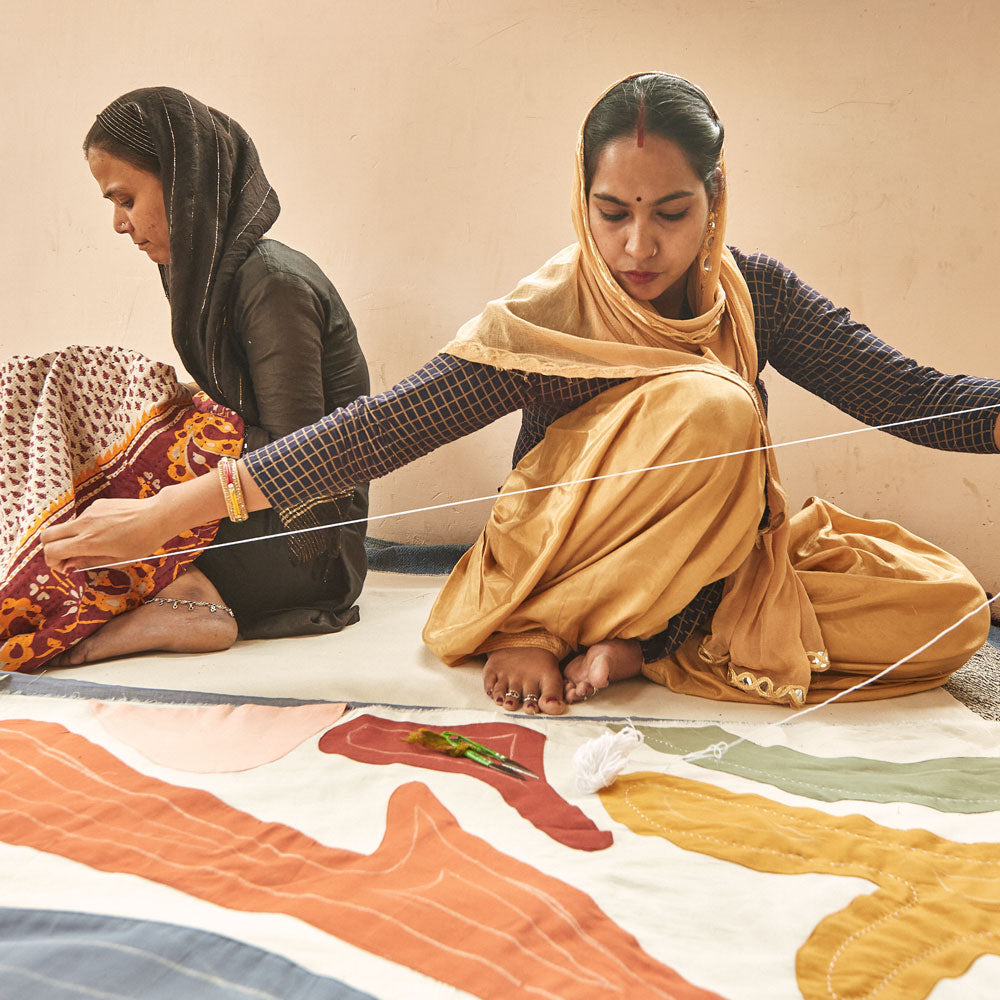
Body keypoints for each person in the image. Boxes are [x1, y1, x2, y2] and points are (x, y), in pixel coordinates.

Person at [42, 73, 999, 711]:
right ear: (579, 199)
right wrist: (168, 513)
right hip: (556, 571)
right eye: (611, 213)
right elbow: (376, 431)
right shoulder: (549, 313)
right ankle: (554, 630)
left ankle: (657, 644)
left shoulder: (761, 294)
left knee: (949, 606)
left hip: (709, 568)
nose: (637, 248)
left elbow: (911, 393)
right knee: (717, 407)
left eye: (671, 214)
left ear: (717, 198)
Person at [4, 87, 370, 670]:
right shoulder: (203, 278)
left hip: (303, 552)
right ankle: (187, 592)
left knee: (93, 505)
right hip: (250, 517)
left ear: (184, 184)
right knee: (53, 400)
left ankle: (188, 600)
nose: (119, 224)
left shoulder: (270, 283)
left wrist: (156, 474)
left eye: (125, 198)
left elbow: (303, 458)